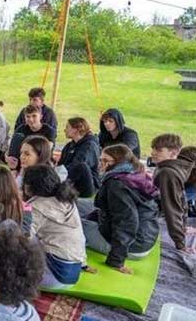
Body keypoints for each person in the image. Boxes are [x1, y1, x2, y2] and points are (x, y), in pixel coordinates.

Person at [79, 145, 159, 273]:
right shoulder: (133, 172)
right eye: (101, 160)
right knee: (77, 204)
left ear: (118, 162)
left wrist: (116, 261)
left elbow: (127, 222)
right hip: (145, 236)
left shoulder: (116, 184)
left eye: (105, 161)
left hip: (133, 247)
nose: (100, 164)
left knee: (71, 224)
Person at [22, 165, 87, 288]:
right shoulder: (66, 199)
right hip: (73, 274)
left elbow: (21, 239)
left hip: (54, 276)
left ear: (31, 185)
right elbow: (81, 237)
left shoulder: (36, 206)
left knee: (15, 234)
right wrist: (83, 263)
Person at [151, 134, 196, 253]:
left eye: (158, 150)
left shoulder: (168, 173)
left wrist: (180, 244)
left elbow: (173, 209)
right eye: (153, 148)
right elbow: (181, 200)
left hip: (150, 214)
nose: (153, 152)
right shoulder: (166, 167)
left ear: (173, 153)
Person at [57, 117, 100, 198]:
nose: (64, 130)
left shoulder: (89, 146)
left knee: (81, 166)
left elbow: (78, 167)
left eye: (67, 127)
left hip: (87, 184)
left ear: (76, 130)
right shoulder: (69, 146)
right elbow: (61, 165)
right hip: (70, 181)